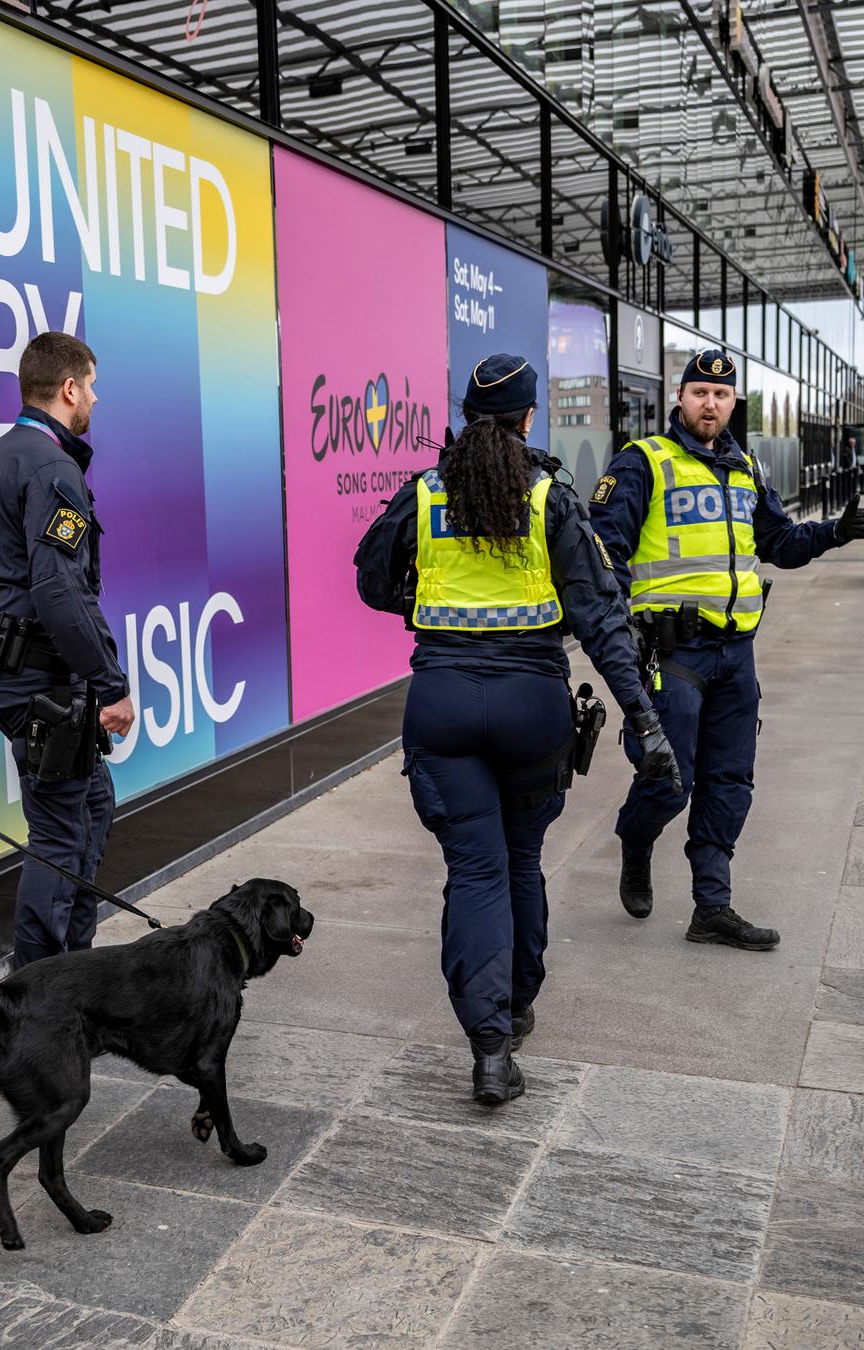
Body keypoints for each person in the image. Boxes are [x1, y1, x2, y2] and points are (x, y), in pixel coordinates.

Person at [356, 354, 679, 1104]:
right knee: (522, 861)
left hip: (441, 703)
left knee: (476, 870)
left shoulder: (424, 492)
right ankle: (519, 1006)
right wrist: (645, 719)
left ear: (467, 415)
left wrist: (421, 604)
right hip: (533, 707)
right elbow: (602, 619)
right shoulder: (548, 498)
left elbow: (370, 579)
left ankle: (490, 1049)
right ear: (530, 418)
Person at [588, 349, 864, 950]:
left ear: (733, 402)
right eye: (699, 393)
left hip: (736, 652)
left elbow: (779, 543)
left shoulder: (746, 468)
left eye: (721, 395)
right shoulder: (644, 461)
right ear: (680, 398)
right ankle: (636, 838)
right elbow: (604, 553)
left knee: (730, 781)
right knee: (670, 779)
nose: (710, 404)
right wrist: (620, 632)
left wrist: (834, 532)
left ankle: (712, 907)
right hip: (675, 653)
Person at [0, 332, 136, 968]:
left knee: (92, 803)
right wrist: (110, 684)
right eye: (92, 386)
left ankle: (71, 969)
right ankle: (37, 988)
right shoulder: (53, 469)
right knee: (60, 832)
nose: (96, 398)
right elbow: (60, 589)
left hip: (5, 664)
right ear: (68, 389)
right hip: (35, 675)